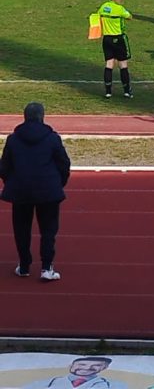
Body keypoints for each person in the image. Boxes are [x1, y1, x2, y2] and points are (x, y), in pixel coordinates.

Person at [0, 102, 70, 281]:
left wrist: (12, 183)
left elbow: (4, 167)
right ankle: (47, 267)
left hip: (21, 190)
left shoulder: (13, 139)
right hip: (48, 190)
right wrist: (58, 183)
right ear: (42, 117)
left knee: (21, 229)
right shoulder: (52, 138)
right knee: (48, 230)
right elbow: (64, 164)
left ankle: (24, 266)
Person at [97, 0, 133, 99]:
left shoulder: (104, 7)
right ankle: (127, 91)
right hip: (118, 39)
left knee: (109, 64)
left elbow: (97, 16)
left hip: (106, 39)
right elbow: (129, 17)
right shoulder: (119, 9)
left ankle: (108, 92)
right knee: (123, 65)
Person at [23, 357, 128, 389]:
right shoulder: (46, 383)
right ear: (71, 366)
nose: (87, 368)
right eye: (82, 364)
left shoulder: (115, 385)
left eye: (96, 365)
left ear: (104, 368)